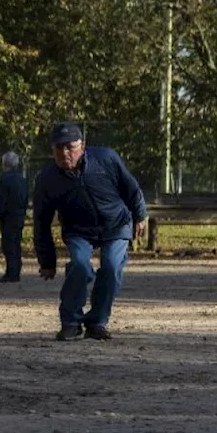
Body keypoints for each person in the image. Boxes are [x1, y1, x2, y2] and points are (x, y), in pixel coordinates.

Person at [33, 122, 146, 341]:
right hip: (78, 229)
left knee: (112, 267)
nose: (65, 153)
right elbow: (41, 222)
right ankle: (71, 322)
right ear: (52, 150)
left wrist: (140, 215)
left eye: (70, 147)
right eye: (59, 148)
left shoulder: (106, 159)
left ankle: (97, 321)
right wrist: (46, 261)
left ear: (82, 146)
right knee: (79, 265)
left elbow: (130, 187)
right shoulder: (47, 179)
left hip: (116, 223)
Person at [0, 151, 29, 282]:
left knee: (8, 244)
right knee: (16, 243)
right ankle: (15, 270)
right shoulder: (22, 179)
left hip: (8, 216)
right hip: (19, 215)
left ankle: (11, 273)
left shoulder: (4, 179)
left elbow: (2, 199)